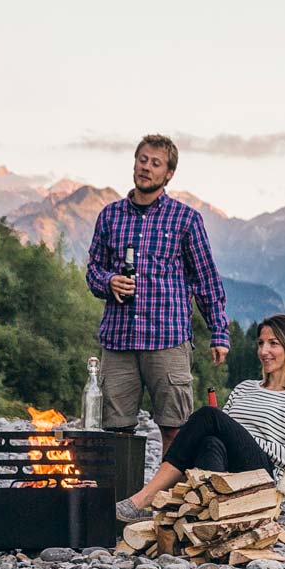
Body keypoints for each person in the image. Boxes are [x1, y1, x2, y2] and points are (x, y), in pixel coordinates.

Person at [85, 134, 229, 452]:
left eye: (156, 163)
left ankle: (166, 502)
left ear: (169, 174)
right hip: (119, 341)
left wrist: (219, 332)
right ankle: (123, 501)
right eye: (143, 160)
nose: (146, 168)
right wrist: (108, 282)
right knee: (115, 431)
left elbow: (206, 280)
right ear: (135, 163)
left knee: (175, 430)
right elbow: (93, 271)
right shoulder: (110, 216)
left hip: (168, 339)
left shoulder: (186, 219)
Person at [116, 314, 285, 521]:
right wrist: (232, 435)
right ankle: (204, 520)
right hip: (228, 468)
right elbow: (222, 435)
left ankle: (144, 499)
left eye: (273, 344)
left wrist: (247, 438)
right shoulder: (244, 388)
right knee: (210, 442)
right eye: (260, 343)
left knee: (209, 416)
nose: (263, 351)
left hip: (260, 475)